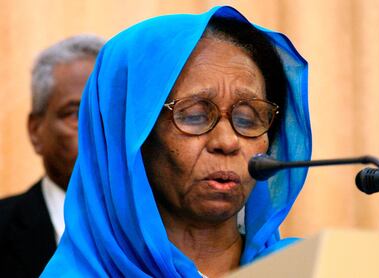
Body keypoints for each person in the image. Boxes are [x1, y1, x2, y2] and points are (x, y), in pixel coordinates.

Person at [42, 6, 311, 277]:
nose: (227, 142)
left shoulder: (306, 268)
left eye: (246, 119)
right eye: (194, 116)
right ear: (128, 139)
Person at [0, 35, 104, 277]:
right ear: (36, 131)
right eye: (76, 114)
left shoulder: (165, 229)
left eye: (108, 112)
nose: (98, 130)